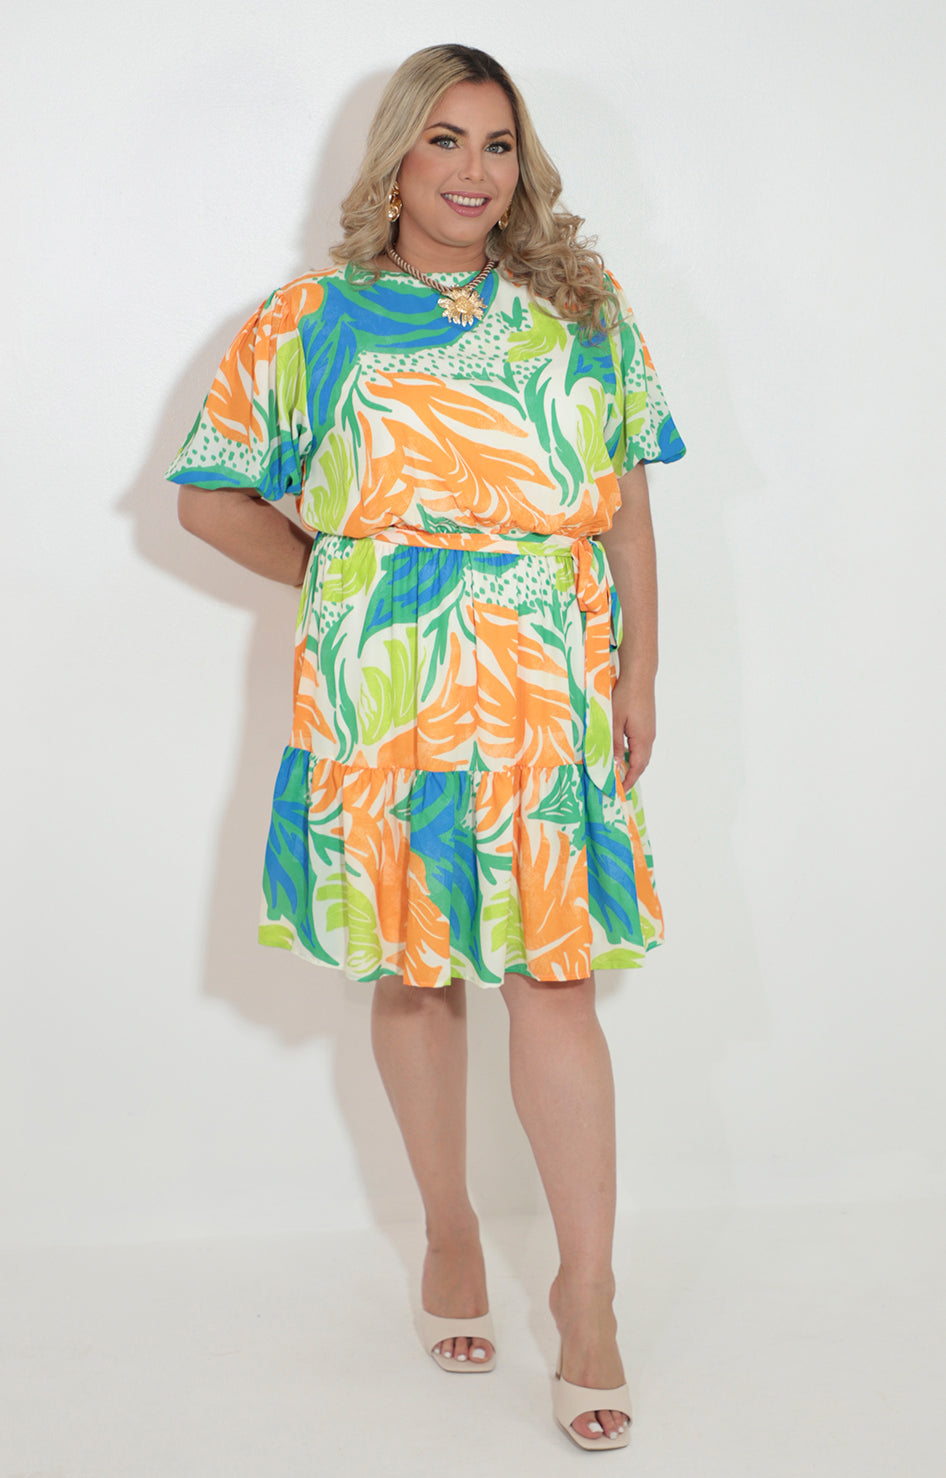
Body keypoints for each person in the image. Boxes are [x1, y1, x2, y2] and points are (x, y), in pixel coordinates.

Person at [167, 42, 685, 1451]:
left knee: (555, 976)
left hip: (544, 682)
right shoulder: (311, 320)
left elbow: (628, 503)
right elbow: (209, 498)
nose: (473, 170)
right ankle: (448, 1229)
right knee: (412, 969)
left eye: (498, 144)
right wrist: (349, 580)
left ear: (524, 168)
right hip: (384, 691)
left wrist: (639, 669)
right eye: (445, 139)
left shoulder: (579, 309)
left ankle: (587, 1289)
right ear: (396, 155)